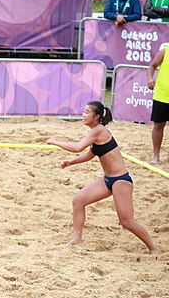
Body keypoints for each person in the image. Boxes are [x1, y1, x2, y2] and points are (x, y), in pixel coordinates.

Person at [46, 101, 159, 255]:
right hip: (108, 180)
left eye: (87, 112)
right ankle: (76, 239)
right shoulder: (96, 132)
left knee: (126, 221)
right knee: (78, 201)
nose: (83, 115)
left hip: (121, 180)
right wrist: (71, 162)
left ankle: (153, 248)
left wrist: (54, 141)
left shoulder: (98, 130)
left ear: (97, 116)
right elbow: (91, 153)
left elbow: (77, 147)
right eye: (84, 111)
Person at [147, 44, 169, 165]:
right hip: (162, 96)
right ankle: (156, 155)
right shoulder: (165, 51)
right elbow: (152, 65)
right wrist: (150, 78)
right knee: (158, 126)